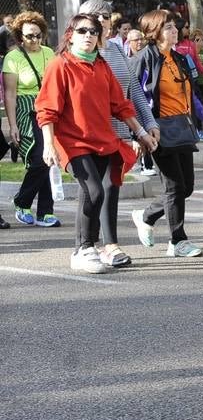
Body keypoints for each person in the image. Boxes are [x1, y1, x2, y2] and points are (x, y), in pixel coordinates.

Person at [35, 14, 155, 273]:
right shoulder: (60, 65)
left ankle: (86, 248)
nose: (88, 35)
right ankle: (84, 247)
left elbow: (120, 105)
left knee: (91, 195)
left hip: (102, 139)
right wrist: (48, 144)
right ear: (70, 35)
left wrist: (141, 132)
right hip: (72, 141)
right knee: (95, 191)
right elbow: (47, 110)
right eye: (82, 31)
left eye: (93, 31)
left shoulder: (101, 66)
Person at [80, 0, 158, 268]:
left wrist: (147, 124)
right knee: (94, 190)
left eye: (106, 17)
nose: (103, 21)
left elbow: (133, 91)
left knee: (110, 186)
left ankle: (107, 245)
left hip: (118, 131)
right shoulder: (77, 52)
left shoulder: (115, 50)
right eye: (96, 17)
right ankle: (90, 245)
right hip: (87, 134)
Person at [129, 10, 203, 258]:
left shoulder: (181, 57)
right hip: (157, 129)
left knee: (187, 187)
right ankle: (178, 241)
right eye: (168, 27)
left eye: (175, 26)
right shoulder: (144, 58)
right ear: (154, 32)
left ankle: (146, 216)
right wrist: (137, 134)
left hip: (182, 127)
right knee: (174, 186)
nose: (174, 30)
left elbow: (191, 95)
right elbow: (132, 97)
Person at [3, 12, 57, 227]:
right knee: (39, 156)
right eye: (28, 36)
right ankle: (22, 201)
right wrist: (13, 125)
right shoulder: (13, 58)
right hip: (26, 110)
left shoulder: (49, 53)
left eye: (37, 35)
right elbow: (9, 94)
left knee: (48, 158)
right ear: (19, 37)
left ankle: (45, 212)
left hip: (48, 107)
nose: (34, 40)